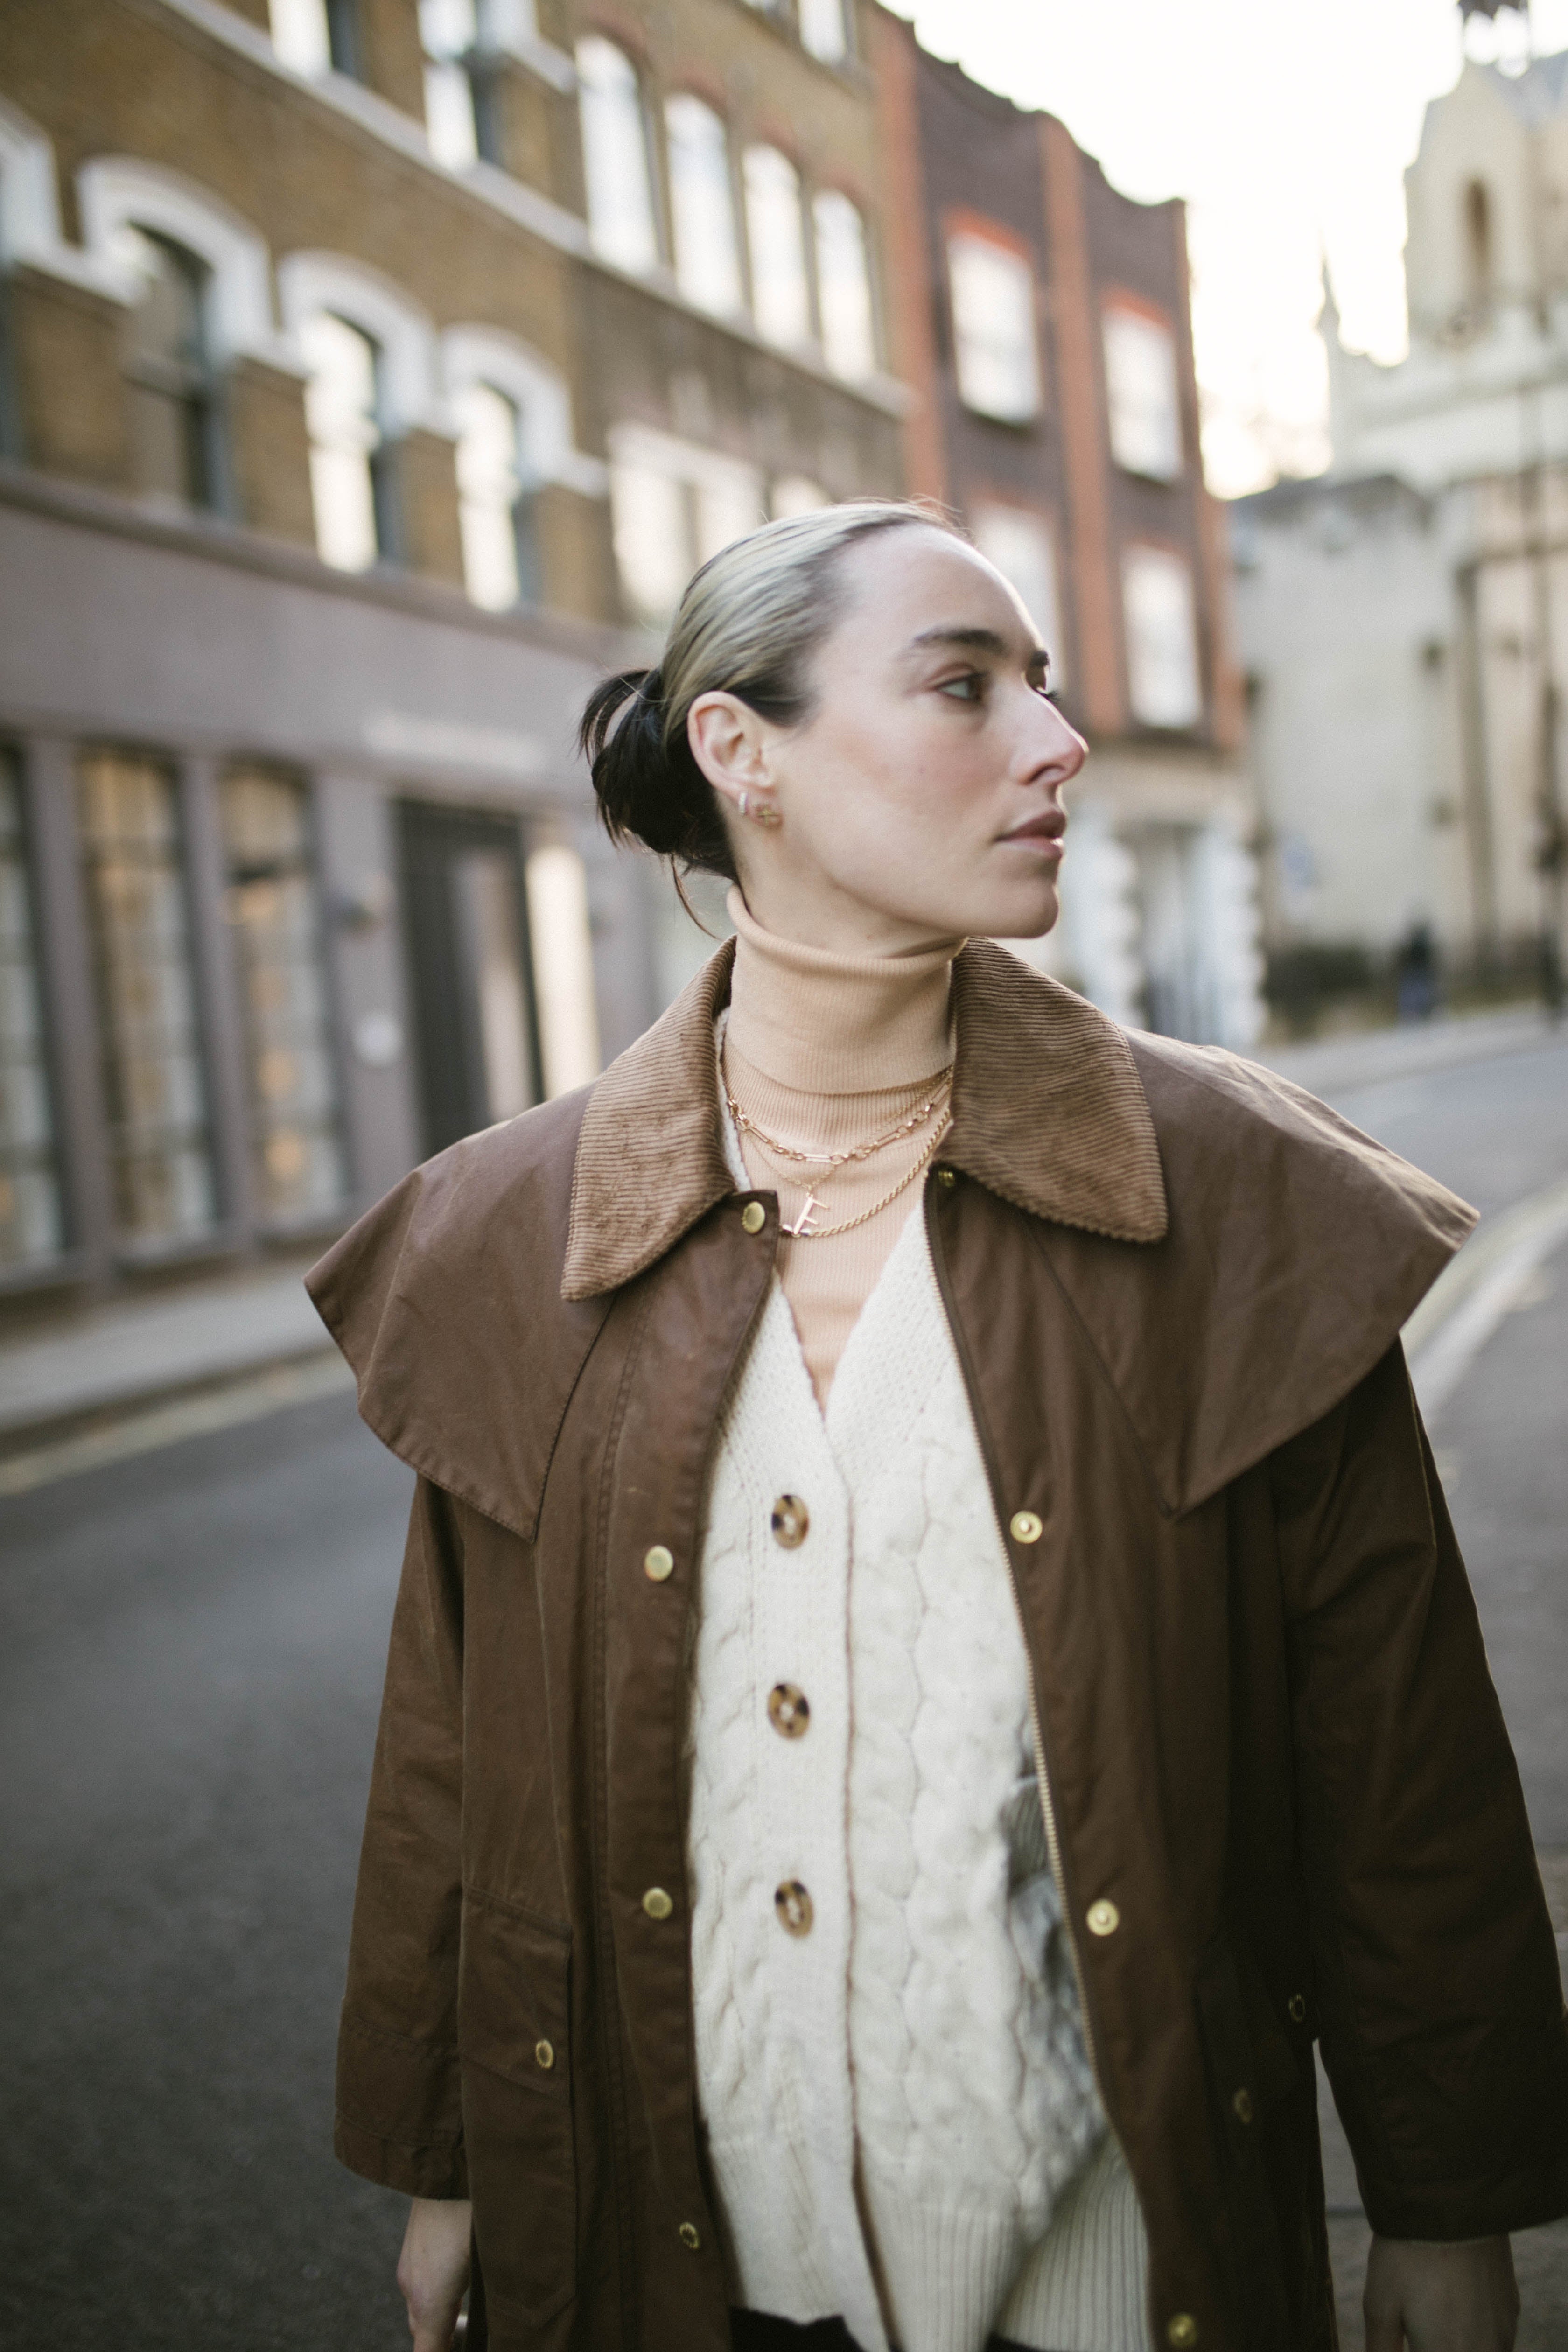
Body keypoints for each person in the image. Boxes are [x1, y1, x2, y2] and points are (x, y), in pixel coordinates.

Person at [308, 504, 1568, 2352]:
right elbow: (452, 1750)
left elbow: (1395, 1757)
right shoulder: (520, 1230)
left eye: (1042, 689)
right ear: (745, 756)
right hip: (675, 2258)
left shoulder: (1231, 1194)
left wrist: (1453, 2206)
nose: (1058, 744)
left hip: (1121, 2274)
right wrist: (452, 2163)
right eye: (966, 687)